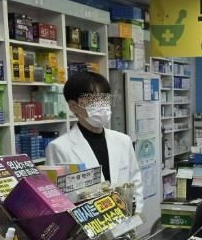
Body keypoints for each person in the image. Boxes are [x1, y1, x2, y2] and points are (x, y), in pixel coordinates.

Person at [45, 71, 144, 215]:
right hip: (86, 225)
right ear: (73, 106)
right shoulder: (59, 148)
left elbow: (135, 182)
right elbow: (58, 198)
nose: (102, 106)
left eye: (104, 99)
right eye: (93, 100)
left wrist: (135, 214)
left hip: (126, 221)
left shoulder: (123, 141)